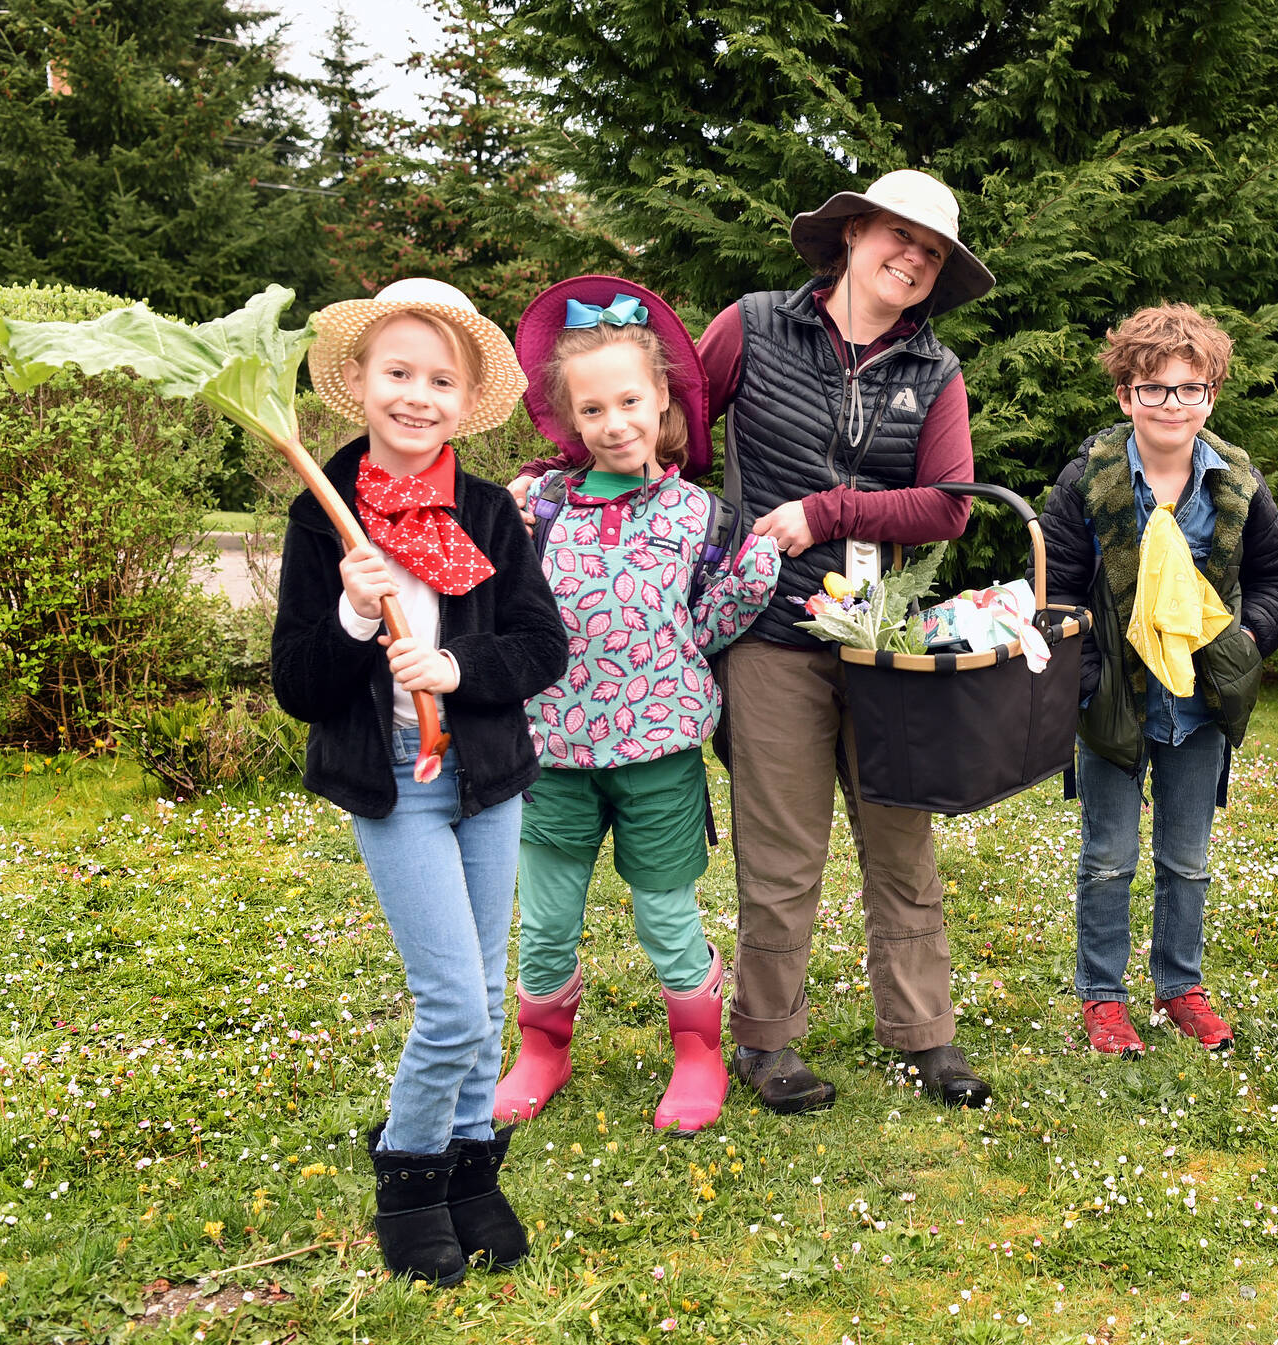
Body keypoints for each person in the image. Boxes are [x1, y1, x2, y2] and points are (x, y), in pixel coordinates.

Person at [509, 169, 994, 1113]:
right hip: (768, 634)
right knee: (780, 851)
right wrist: (560, 478)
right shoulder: (755, 324)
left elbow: (949, 507)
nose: (912, 258)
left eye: (932, 252)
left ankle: (925, 1033)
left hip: (881, 639)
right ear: (851, 235)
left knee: (901, 841)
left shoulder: (934, 371)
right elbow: (670, 435)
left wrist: (822, 512)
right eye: (898, 235)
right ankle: (769, 1040)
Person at [271, 279, 567, 1283]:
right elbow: (298, 686)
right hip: (393, 784)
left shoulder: (487, 512)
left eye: (440, 379)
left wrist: (456, 670)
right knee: (453, 1005)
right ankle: (406, 1177)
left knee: (483, 992)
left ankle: (467, 1172)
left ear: (464, 398)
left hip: (484, 780)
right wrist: (354, 616)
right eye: (398, 372)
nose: (417, 394)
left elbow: (541, 645)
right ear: (359, 382)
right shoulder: (325, 518)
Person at [493, 276, 778, 1134]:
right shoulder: (539, 507)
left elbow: (707, 629)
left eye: (629, 401)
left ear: (662, 401)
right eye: (592, 410)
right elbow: (503, 607)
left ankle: (698, 1052)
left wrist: (754, 570)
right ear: (568, 420)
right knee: (544, 920)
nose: (614, 423)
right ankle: (542, 1046)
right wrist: (499, 518)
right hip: (551, 756)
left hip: (659, 759)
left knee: (665, 913)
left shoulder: (702, 519)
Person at [1037, 304, 1278, 1060]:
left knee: (1188, 858)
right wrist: (1084, 682)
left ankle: (1180, 984)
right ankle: (1104, 998)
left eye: (1190, 389)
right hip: (1113, 706)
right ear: (1125, 396)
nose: (1172, 405)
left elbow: (1276, 575)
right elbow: (1054, 587)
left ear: (1211, 394)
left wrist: (1245, 642)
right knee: (1108, 856)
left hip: (1199, 705)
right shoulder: (1087, 481)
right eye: (1154, 390)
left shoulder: (1238, 482)